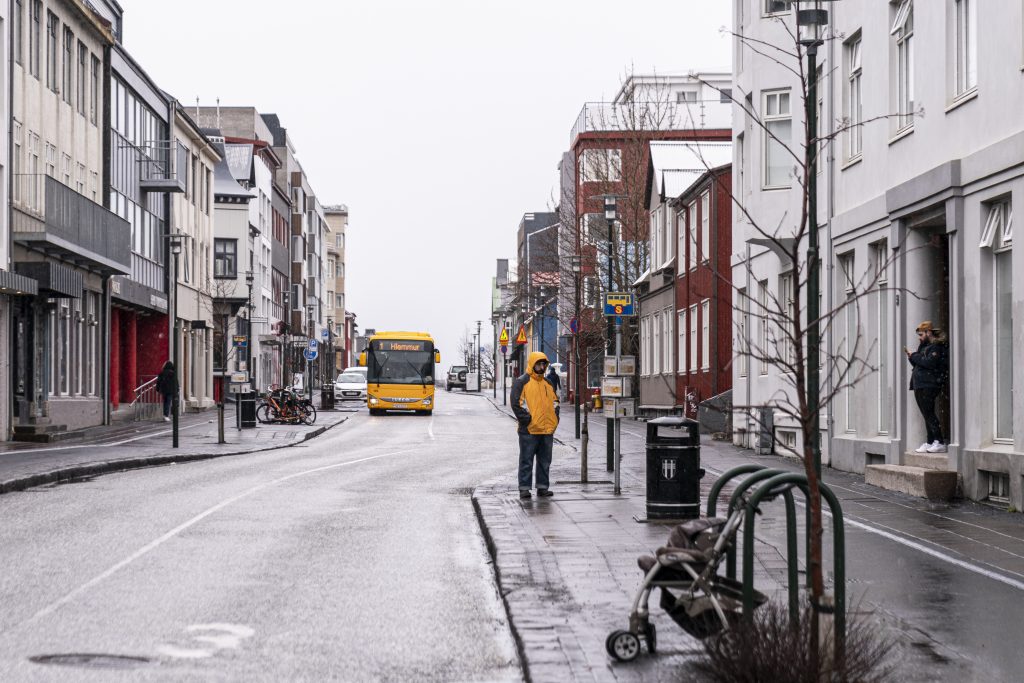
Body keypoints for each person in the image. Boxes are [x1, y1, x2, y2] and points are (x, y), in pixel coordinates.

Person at [511, 351, 560, 500]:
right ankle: (524, 488)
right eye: (538, 364)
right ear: (532, 364)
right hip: (529, 430)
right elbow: (516, 404)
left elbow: (555, 402)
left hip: (547, 429)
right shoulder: (522, 382)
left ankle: (542, 487)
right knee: (526, 460)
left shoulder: (548, 383)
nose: (541, 366)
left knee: (545, 461)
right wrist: (528, 420)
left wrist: (555, 419)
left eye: (543, 364)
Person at [905, 321, 948, 453]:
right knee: (926, 414)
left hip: (929, 384)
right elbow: (920, 365)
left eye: (921, 334)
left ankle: (939, 441)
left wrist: (915, 356)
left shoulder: (936, 347)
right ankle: (930, 441)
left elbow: (929, 363)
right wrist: (911, 357)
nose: (919, 337)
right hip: (920, 384)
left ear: (928, 332)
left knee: (929, 413)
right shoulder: (924, 347)